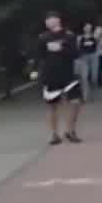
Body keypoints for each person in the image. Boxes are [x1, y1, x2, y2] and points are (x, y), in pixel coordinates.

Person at [36, 12, 84, 145]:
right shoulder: (43, 38)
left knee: (75, 102)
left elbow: (76, 54)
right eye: (47, 20)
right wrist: (39, 75)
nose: (49, 22)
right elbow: (40, 57)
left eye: (51, 19)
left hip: (68, 74)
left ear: (58, 20)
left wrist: (61, 48)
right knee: (52, 106)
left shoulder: (69, 36)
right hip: (51, 75)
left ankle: (70, 131)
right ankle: (54, 134)